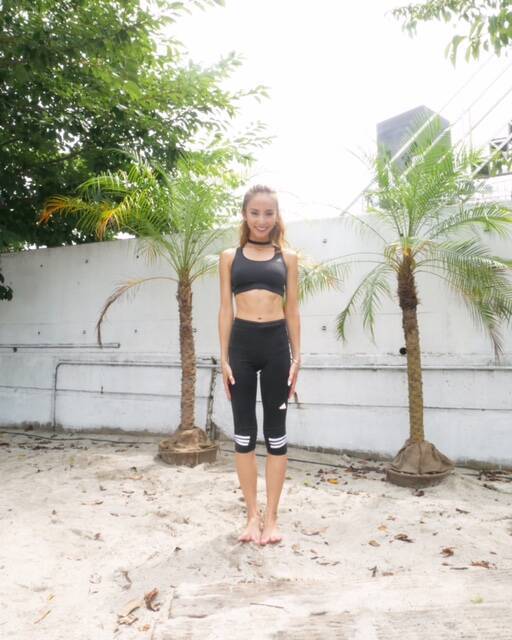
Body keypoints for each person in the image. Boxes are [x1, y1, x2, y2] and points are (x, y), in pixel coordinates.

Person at [218, 185, 300, 545]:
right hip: (242, 346)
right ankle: (252, 516)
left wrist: (298, 356)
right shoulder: (229, 257)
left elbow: (292, 309)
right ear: (244, 214)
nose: (262, 220)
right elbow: (226, 309)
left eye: (269, 213)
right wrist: (223, 358)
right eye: (255, 212)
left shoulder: (288, 258)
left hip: (276, 346)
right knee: (244, 434)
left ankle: (272, 518)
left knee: (277, 434)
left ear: (276, 216)